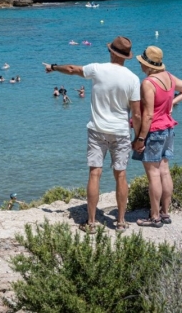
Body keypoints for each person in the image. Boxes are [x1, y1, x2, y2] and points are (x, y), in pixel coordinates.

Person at [43, 36, 141, 233]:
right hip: (121, 132)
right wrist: (138, 138)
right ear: (126, 56)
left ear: (112, 52)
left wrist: (53, 67)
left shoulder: (97, 69)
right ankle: (120, 222)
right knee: (121, 175)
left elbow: (72, 69)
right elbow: (137, 113)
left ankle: (92, 223)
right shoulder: (133, 78)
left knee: (95, 173)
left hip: (97, 130)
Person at [132, 46, 182, 228]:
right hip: (168, 129)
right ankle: (165, 214)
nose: (140, 65)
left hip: (153, 132)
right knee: (165, 172)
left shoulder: (148, 83)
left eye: (141, 62)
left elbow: (148, 115)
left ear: (148, 65)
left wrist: (140, 139)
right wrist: (171, 103)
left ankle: (155, 217)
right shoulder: (169, 77)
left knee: (153, 175)